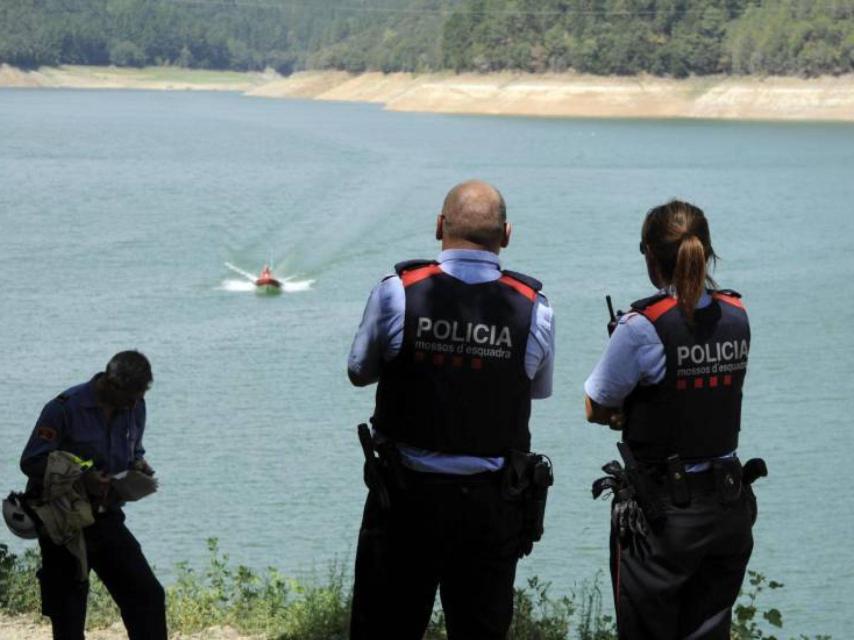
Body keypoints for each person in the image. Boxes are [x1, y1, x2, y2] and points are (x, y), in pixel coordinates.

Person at [347, 180, 555, 640]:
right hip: (490, 507)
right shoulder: (533, 308)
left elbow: (359, 371)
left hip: (405, 501)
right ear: (507, 235)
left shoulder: (397, 293)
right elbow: (535, 389)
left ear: (439, 226)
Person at [584, 200, 760, 639]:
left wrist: (626, 412)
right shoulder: (738, 315)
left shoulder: (642, 326)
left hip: (665, 519)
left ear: (650, 255)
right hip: (727, 507)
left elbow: (595, 405)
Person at [19, 350, 167, 640]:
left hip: (106, 517)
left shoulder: (135, 407)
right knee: (69, 616)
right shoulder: (63, 409)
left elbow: (133, 449)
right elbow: (31, 462)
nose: (135, 403)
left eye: (140, 395)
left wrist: (138, 465)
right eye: (130, 396)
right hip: (63, 523)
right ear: (110, 384)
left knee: (147, 596)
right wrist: (81, 477)